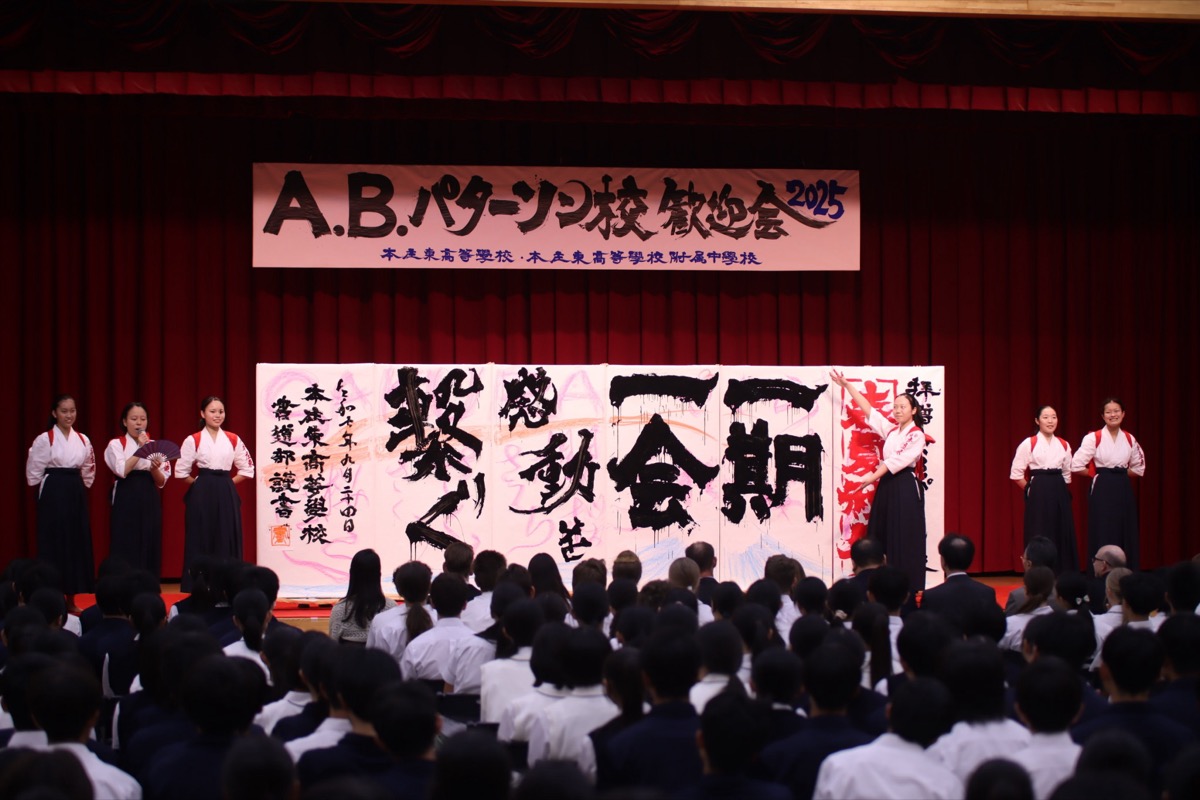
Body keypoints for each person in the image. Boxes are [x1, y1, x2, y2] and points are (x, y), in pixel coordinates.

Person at [829, 370, 931, 592]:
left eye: (902, 407)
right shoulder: (892, 431)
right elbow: (869, 411)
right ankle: (880, 582)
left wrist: (871, 478)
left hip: (904, 486)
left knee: (903, 535)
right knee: (882, 531)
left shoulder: (916, 434)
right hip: (887, 485)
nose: (897, 410)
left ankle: (906, 586)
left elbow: (896, 461)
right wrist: (847, 386)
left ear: (914, 410)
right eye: (895, 407)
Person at [174, 396, 254, 590]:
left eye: (221, 411)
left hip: (226, 489)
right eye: (212, 411)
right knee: (201, 534)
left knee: (226, 535)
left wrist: (227, 484)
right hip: (202, 489)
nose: (218, 415)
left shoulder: (233, 439)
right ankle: (199, 584)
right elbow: (181, 472)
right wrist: (199, 484)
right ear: (202, 413)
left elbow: (247, 469)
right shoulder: (193, 439)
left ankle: (228, 583)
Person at [25, 394, 96, 596]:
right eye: (64, 411)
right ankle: (51, 595)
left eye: (72, 411)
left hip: (74, 489)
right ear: (54, 413)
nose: (69, 415)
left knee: (75, 540)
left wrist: (81, 484)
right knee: (54, 541)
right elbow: (34, 471)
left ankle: (72, 595)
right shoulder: (44, 439)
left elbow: (88, 467)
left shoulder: (82, 439)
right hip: (53, 489)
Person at [1071, 397, 1146, 570]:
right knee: (1103, 528)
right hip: (1102, 486)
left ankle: (1125, 572)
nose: (1113, 415)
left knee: (1124, 528)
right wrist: (1097, 474)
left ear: (1123, 413)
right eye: (1108, 412)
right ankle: (1101, 571)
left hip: (1122, 486)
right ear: (1103, 416)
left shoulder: (1129, 438)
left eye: (1116, 411)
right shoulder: (1094, 438)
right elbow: (1075, 465)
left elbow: (1138, 468)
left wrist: (1119, 474)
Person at [104, 402, 170, 577]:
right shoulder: (116, 444)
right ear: (125, 421)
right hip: (126, 493)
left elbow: (161, 481)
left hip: (148, 493)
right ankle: (123, 583)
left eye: (143, 419)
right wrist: (141, 449)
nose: (139, 423)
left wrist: (154, 468)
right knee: (126, 539)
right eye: (134, 419)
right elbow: (122, 470)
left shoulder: (156, 445)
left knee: (150, 537)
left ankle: (148, 583)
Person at [1010, 406, 1077, 574]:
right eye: (1046, 417)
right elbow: (1016, 473)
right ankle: (1037, 572)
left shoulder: (1063, 444)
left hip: (1059, 488)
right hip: (1038, 489)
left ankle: (1061, 572)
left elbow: (1067, 473)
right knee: (1038, 529)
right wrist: (1030, 489)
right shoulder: (1029, 443)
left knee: (1061, 530)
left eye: (1053, 417)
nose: (1050, 421)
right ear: (1037, 421)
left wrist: (1061, 490)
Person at [328, 549, 395, 645]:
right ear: (378, 574)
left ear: (352, 574)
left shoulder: (340, 610)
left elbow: (332, 647)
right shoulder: (391, 608)